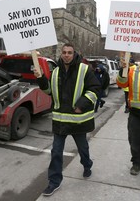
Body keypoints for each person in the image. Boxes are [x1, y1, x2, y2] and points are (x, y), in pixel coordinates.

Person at [33, 43, 101, 196]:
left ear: (74, 53)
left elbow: (95, 89)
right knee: (56, 152)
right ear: (61, 54)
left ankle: (87, 165)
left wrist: (81, 104)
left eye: (69, 52)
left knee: (83, 149)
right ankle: (54, 182)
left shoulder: (84, 69)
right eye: (64, 52)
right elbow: (49, 91)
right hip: (61, 121)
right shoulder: (56, 71)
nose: (66, 55)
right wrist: (40, 78)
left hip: (78, 120)